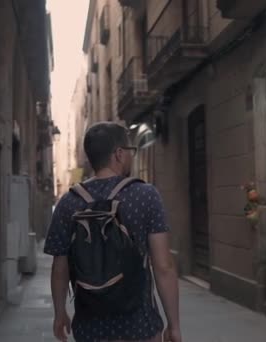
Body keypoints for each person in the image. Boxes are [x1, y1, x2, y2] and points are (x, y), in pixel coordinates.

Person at [44, 122, 181, 342]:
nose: (131, 157)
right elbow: (163, 266)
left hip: (90, 330)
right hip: (140, 327)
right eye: (130, 151)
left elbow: (59, 267)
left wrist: (60, 313)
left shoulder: (68, 203)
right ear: (119, 154)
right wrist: (174, 325)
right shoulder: (146, 195)